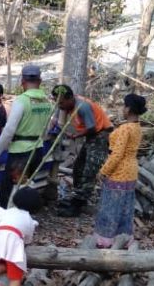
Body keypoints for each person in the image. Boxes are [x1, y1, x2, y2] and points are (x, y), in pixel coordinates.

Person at [0, 65, 53, 209]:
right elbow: (47, 128)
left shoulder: (22, 101)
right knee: (26, 187)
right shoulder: (46, 102)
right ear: (40, 81)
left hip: (20, 153)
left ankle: (7, 221)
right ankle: (23, 219)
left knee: (9, 189)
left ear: (22, 81)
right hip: (37, 150)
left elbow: (9, 129)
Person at [51, 84, 114, 217]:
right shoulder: (66, 105)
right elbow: (57, 119)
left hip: (100, 135)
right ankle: (78, 198)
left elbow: (91, 128)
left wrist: (75, 135)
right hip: (91, 136)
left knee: (89, 170)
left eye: (61, 103)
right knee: (78, 168)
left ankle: (78, 204)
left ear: (69, 98)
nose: (59, 106)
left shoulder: (82, 106)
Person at [94, 94, 146, 247]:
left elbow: (117, 154)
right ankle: (123, 237)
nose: (122, 109)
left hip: (119, 171)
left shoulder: (125, 129)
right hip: (131, 170)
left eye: (123, 106)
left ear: (128, 109)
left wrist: (103, 171)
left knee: (111, 206)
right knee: (125, 207)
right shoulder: (137, 127)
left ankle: (105, 240)